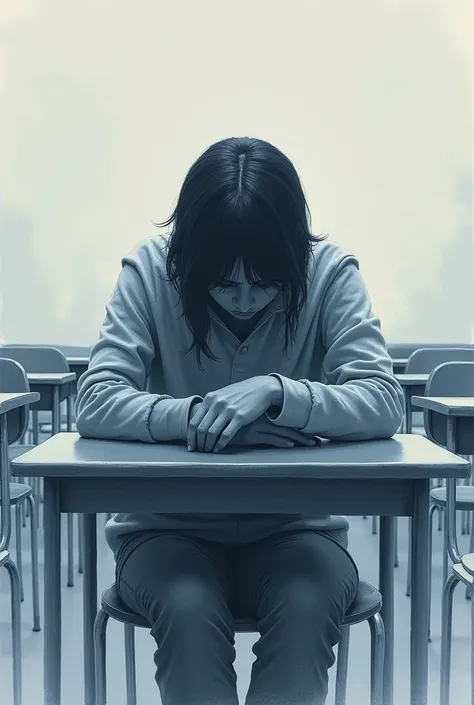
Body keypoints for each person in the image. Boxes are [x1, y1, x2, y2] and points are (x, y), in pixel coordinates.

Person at [75, 135, 404, 705]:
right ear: (191, 261)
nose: (246, 300)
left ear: (294, 256)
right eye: (225, 282)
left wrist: (276, 392)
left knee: (306, 607)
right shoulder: (152, 269)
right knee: (186, 605)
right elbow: (96, 399)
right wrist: (206, 418)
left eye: (266, 281)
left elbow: (383, 398)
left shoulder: (329, 272)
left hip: (295, 531)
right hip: (165, 529)